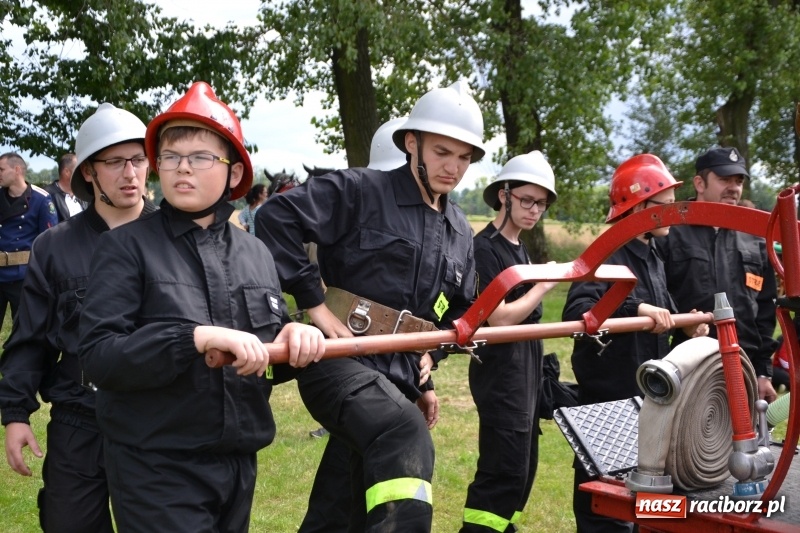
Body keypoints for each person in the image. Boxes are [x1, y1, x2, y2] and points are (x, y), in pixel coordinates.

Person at [77, 81, 325, 533]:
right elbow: (99, 357)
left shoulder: (256, 253)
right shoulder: (124, 249)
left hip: (238, 465)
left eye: (200, 157)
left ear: (233, 174)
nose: (181, 169)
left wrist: (292, 342)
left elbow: (260, 352)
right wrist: (192, 337)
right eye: (170, 158)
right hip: (154, 468)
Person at [256, 80, 482, 531]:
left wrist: (429, 361)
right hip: (338, 360)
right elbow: (274, 219)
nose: (453, 167)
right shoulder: (359, 190)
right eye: (442, 152)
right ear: (411, 143)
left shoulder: (459, 227)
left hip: (399, 376)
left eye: (464, 157)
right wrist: (313, 302)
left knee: (342, 501)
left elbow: (462, 306)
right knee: (402, 434)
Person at [0, 103, 157, 533]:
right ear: (89, 172)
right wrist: (15, 413)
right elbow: (30, 338)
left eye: (139, 159)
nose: (130, 173)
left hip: (157, 422)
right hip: (78, 417)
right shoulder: (54, 247)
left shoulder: (175, 240)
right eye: (115, 162)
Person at [563, 154, 708, 533]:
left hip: (646, 404)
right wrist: (637, 306)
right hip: (608, 404)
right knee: (606, 511)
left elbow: (664, 311)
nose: (673, 214)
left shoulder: (652, 255)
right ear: (641, 206)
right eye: (665, 205)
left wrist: (686, 327)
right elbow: (579, 309)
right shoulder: (608, 252)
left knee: (643, 509)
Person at [461, 151, 559, 533]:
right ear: (503, 195)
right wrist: (544, 285)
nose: (535, 210)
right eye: (527, 200)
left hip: (527, 370)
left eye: (542, 204)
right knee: (502, 473)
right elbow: (498, 315)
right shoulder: (485, 248)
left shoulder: (520, 248)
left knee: (523, 471)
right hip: (501, 372)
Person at [656, 146, 779, 403]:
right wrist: (683, 324)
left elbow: (765, 311)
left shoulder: (755, 237)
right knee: (688, 441)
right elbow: (654, 294)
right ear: (699, 183)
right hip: (686, 365)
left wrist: (763, 372)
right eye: (724, 179)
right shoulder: (670, 232)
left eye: (739, 181)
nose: (733, 188)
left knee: (748, 442)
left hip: (745, 366)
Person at [0, 152, 57, 327]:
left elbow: (49, 242)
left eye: (1, 169)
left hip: (24, 277)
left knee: (23, 332)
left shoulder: (41, 199)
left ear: (17, 170)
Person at [43, 153, 88, 222]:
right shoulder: (46, 195)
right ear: (67, 172)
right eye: (79, 169)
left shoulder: (84, 194)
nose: (84, 173)